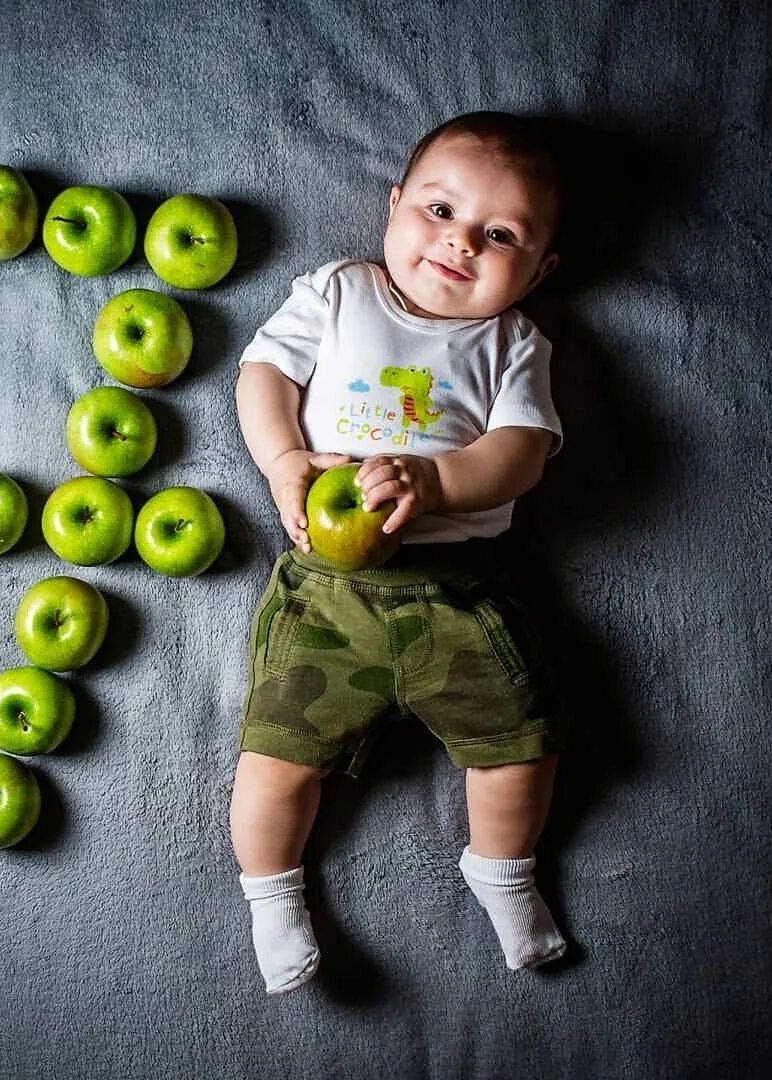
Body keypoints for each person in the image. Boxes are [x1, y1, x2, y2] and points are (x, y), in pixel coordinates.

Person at [230, 111, 569, 995]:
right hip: (327, 588)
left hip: (453, 590)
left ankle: (502, 873)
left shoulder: (514, 344)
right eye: (439, 209)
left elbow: (521, 451)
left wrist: (439, 485)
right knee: (274, 758)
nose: (460, 242)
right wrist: (284, 461)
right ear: (393, 207)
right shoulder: (340, 292)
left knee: (521, 745)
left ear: (540, 270)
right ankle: (272, 897)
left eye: (501, 235)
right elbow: (263, 374)